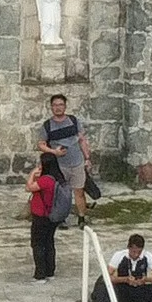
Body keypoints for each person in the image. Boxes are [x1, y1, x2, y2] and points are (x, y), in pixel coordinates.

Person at [40, 95, 92, 226]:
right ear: (51, 107)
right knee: (62, 193)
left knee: (79, 191)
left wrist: (87, 158)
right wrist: (54, 152)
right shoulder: (47, 126)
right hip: (60, 165)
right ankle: (61, 218)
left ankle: (81, 218)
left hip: (77, 163)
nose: (58, 108)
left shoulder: (73, 121)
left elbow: (82, 140)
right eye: (55, 105)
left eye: (60, 105)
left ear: (65, 106)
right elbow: (41, 144)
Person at [25, 156, 64, 280]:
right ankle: (50, 271)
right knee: (49, 242)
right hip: (52, 215)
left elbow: (29, 187)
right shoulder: (58, 178)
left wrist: (31, 174)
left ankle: (40, 274)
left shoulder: (45, 181)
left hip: (41, 215)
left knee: (38, 244)